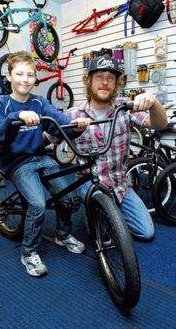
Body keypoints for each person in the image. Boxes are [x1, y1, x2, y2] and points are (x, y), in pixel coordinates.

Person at [0, 51, 90, 277]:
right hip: (16, 162)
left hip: (40, 156)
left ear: (35, 78)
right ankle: (28, 253)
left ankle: (62, 235)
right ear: (9, 76)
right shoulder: (1, 104)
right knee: (38, 204)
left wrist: (76, 126)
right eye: (20, 74)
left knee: (69, 197)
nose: (25, 79)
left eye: (30, 75)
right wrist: (15, 117)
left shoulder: (39, 102)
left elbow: (59, 122)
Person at [67, 54, 168, 241]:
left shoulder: (124, 108)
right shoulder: (73, 114)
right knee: (103, 236)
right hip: (90, 184)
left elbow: (160, 124)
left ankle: (112, 214)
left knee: (146, 233)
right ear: (89, 81)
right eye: (99, 77)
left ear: (116, 83)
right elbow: (48, 137)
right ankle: (99, 215)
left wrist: (153, 103)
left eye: (110, 78)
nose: (105, 82)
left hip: (120, 182)